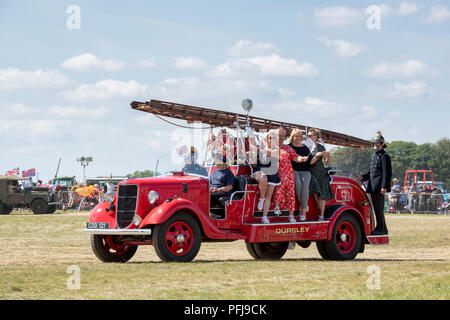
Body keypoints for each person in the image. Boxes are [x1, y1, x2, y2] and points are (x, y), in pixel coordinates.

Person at [357, 131, 392, 235]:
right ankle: (382, 228)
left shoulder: (384, 156)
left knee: (379, 209)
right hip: (373, 186)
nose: (375, 144)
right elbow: (372, 173)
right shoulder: (376, 156)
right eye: (374, 143)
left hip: (379, 187)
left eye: (377, 143)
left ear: (382, 144)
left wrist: (384, 186)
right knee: (376, 209)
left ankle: (381, 229)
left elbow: (387, 173)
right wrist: (363, 177)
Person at [273, 128, 308, 223]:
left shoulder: (287, 148)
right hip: (278, 174)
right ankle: (276, 207)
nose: (281, 137)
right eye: (279, 135)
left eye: (283, 135)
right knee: (279, 187)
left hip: (289, 174)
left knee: (291, 194)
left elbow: (295, 156)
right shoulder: (272, 147)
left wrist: (301, 159)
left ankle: (291, 216)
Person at [251, 129, 282, 224]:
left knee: (269, 196)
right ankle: (261, 198)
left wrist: (260, 148)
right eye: (270, 137)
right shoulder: (261, 147)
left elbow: (272, 153)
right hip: (260, 171)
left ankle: (264, 216)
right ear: (267, 138)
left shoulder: (276, 149)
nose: (272, 139)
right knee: (263, 178)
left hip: (272, 173)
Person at [308, 128, 335, 221]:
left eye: (312, 135)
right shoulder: (307, 147)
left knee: (322, 194)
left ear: (316, 136)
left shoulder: (321, 147)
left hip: (321, 171)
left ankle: (322, 215)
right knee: (316, 192)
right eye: (309, 135)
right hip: (311, 171)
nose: (310, 136)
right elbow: (310, 163)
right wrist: (316, 155)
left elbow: (327, 162)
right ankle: (321, 212)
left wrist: (327, 156)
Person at [288, 128, 312, 221]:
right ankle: (304, 205)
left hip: (305, 171)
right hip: (293, 170)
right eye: (295, 136)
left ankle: (304, 213)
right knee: (297, 182)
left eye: (299, 136)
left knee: (305, 187)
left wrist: (308, 159)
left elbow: (309, 162)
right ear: (292, 137)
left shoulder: (305, 148)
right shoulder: (288, 147)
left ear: (301, 138)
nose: (297, 138)